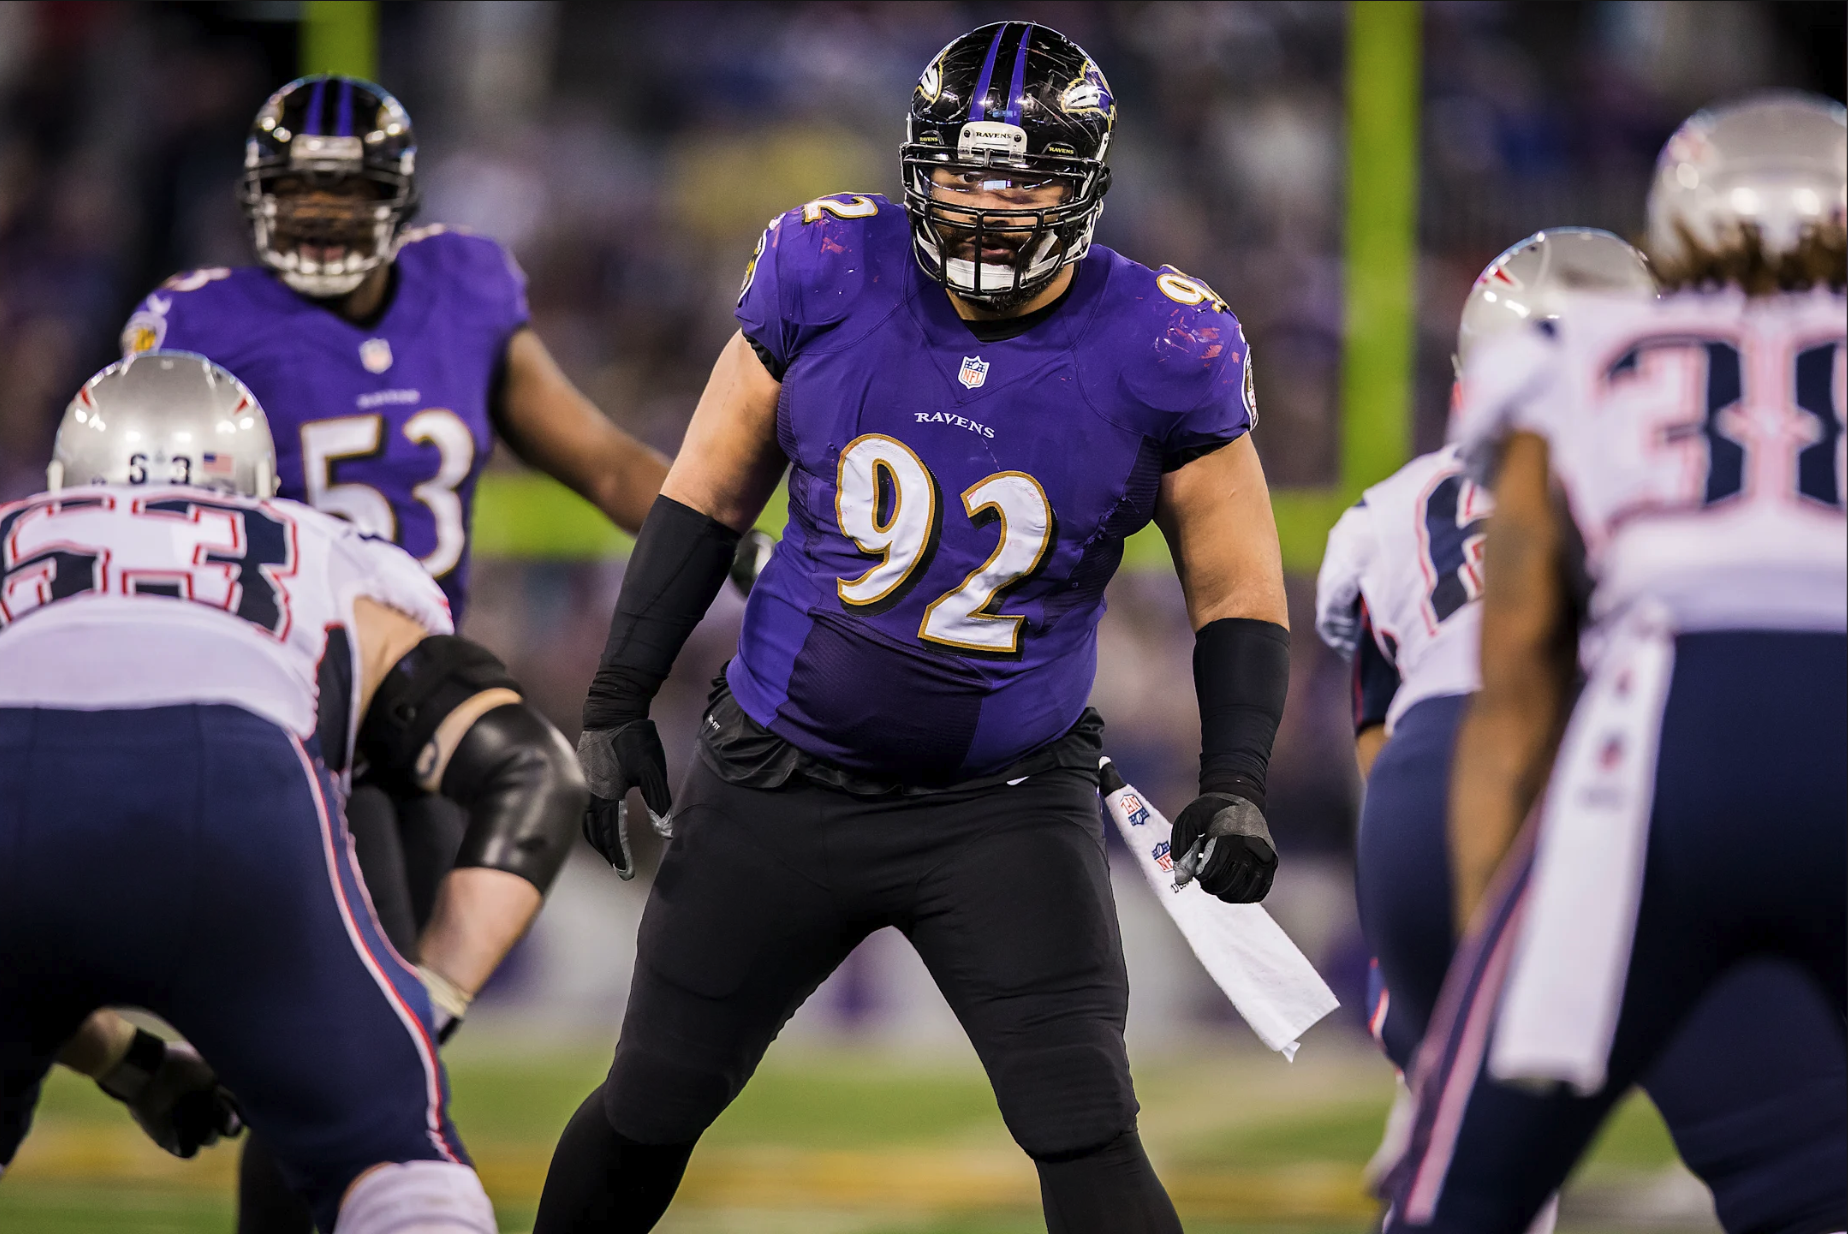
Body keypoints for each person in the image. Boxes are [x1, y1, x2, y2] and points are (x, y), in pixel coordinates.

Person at [536, 23, 1291, 1234]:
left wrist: (1237, 777)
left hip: (1003, 802)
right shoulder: (825, 266)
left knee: (1085, 1123)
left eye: (1025, 171)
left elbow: (1240, 587)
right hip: (778, 780)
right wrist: (618, 697)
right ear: (914, 162)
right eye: (965, 168)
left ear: (1087, 176)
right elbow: (704, 492)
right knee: (650, 1100)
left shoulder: (1167, 340)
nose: (989, 203)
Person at [115, 75, 674, 1229]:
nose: (319, 215)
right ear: (259, 200)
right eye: (298, 193)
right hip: (282, 703)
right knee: (359, 1046)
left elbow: (607, 461)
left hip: (421, 704)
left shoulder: (466, 285)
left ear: (399, 198)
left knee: (375, 1040)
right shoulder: (196, 320)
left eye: (346, 190)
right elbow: (114, 498)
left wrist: (735, 544)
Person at [1318, 230, 1847, 1232]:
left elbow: (1385, 747)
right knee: (1804, 1169)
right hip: (1621, 780)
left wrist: (1423, 945)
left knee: (1477, 1186)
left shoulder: (1390, 512)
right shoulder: (1702, 461)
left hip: (1431, 813)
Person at [0, 351, 588, 1232]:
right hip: (237, 805)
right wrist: (430, 999)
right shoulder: (322, 549)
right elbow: (535, 769)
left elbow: (46, 902)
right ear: (253, 481)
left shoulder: (10, 532)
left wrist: (131, 1065)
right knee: (406, 1178)